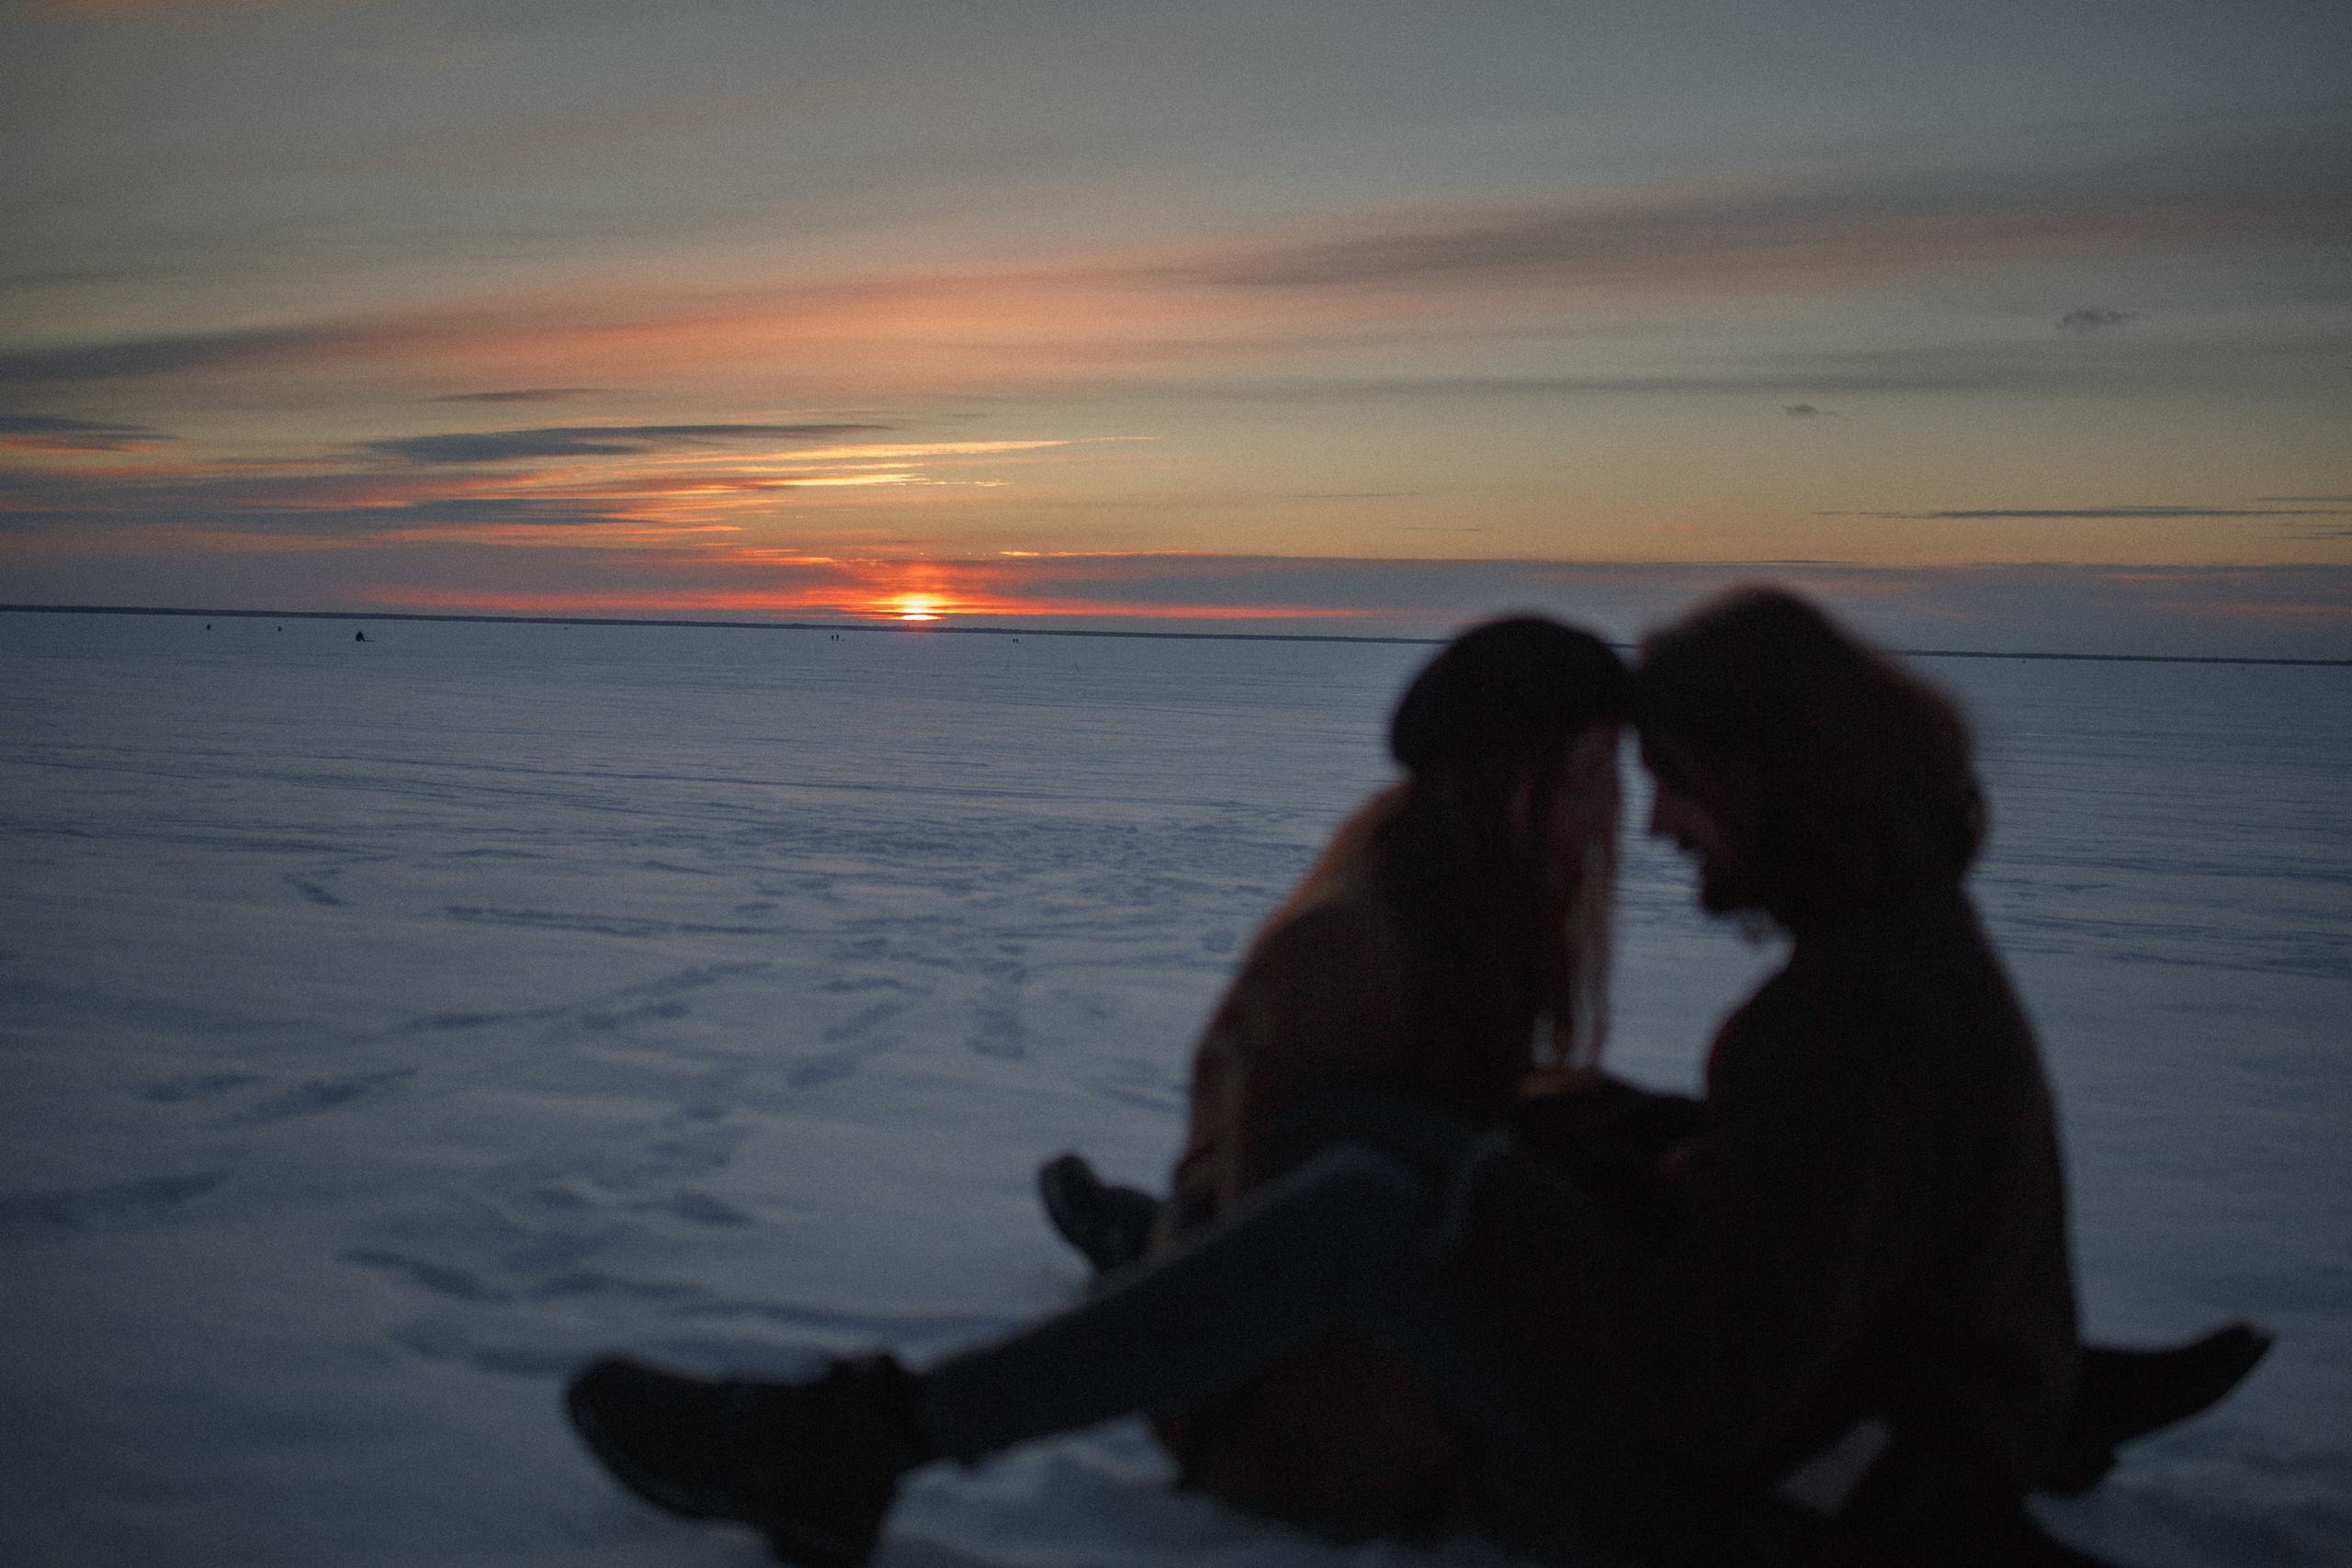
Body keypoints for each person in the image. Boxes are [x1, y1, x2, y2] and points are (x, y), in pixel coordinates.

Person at [565, 617, 1650, 1565]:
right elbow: (1275, 1242)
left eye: (1613, 776)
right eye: (1580, 776)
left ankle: (1132, 1244)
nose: (1611, 816)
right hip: (1312, 1413)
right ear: (1493, 777)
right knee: (1313, 1196)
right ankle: (1110, 1270)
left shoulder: (1489, 916)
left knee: (1324, 1188)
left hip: (1418, 1374)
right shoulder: (1362, 946)